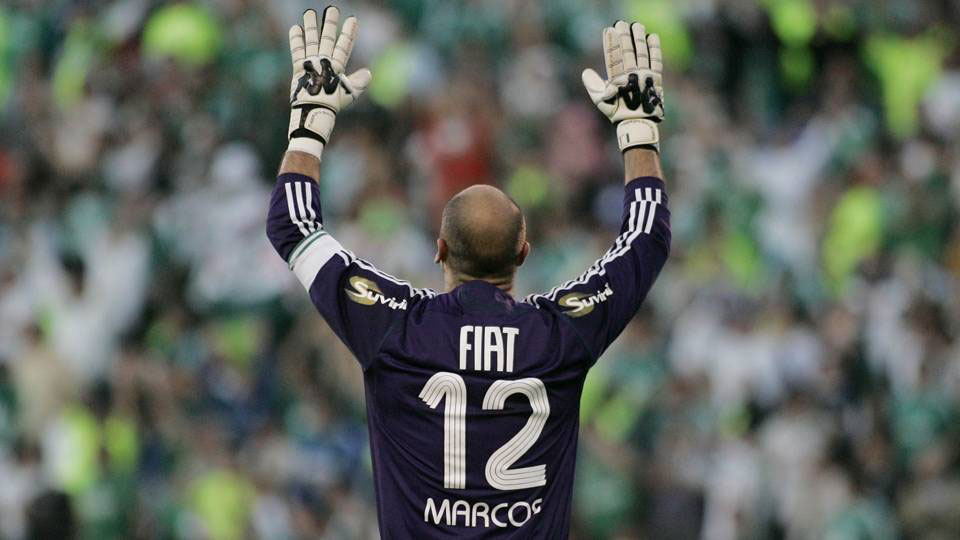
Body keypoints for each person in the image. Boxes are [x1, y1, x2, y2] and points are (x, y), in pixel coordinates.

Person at [266, 6, 670, 538]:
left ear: (439, 250)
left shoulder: (397, 327)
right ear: (523, 251)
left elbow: (293, 226)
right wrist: (638, 133)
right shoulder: (559, 335)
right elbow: (645, 240)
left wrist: (310, 121)